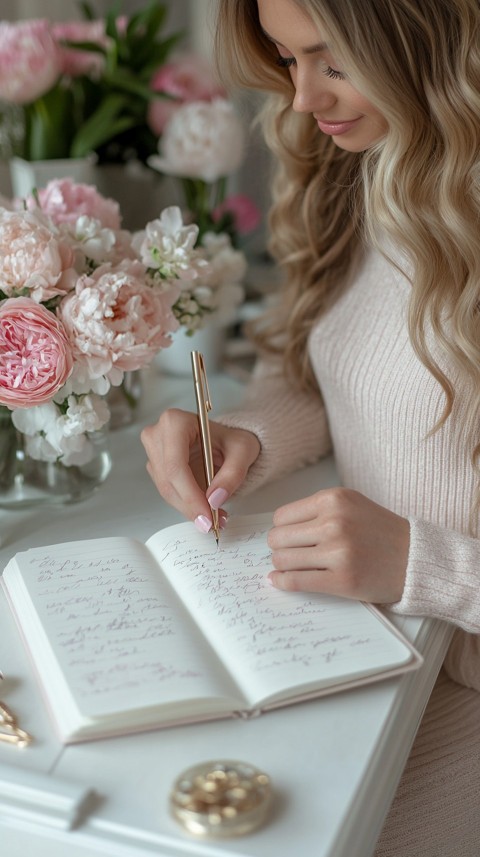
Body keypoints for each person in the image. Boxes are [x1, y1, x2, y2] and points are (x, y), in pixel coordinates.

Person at [141, 0, 480, 853]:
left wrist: (423, 563)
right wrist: (247, 437)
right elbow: (324, 369)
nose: (301, 99)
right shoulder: (369, 164)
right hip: (367, 650)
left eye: (330, 60)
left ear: (429, 33)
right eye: (289, 61)